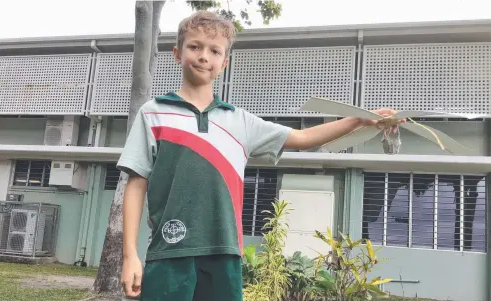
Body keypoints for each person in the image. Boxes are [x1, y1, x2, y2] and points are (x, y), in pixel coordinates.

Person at [118, 10, 399, 301]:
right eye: (195, 46)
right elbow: (136, 184)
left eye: (215, 51)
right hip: (168, 252)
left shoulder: (240, 121)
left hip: (225, 253)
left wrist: (360, 120)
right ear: (177, 53)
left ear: (224, 63)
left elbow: (302, 138)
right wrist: (130, 257)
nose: (204, 56)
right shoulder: (153, 113)